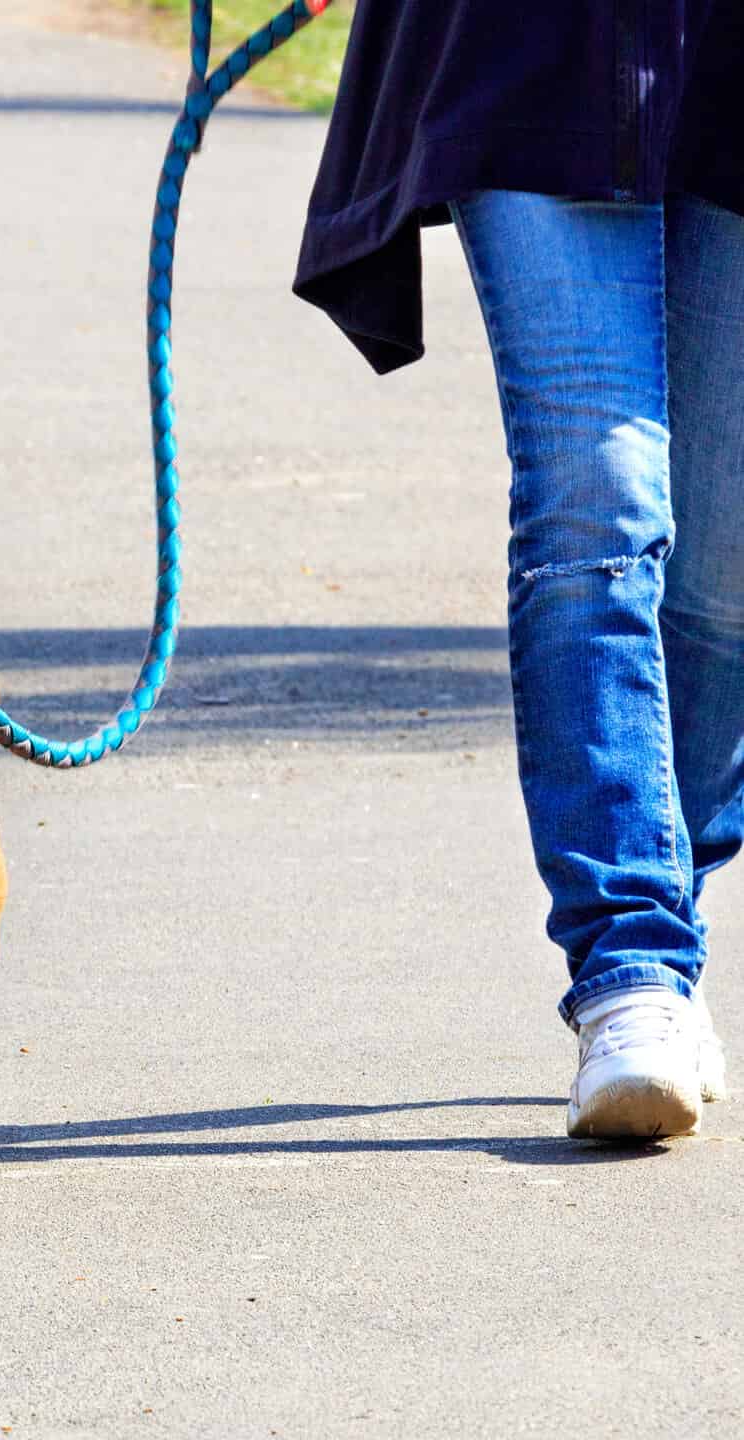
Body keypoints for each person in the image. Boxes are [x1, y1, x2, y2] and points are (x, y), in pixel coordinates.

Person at [292, 1, 741, 1139]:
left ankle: (668, 914)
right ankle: (630, 967)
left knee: (724, 565)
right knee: (597, 497)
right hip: (530, 40)